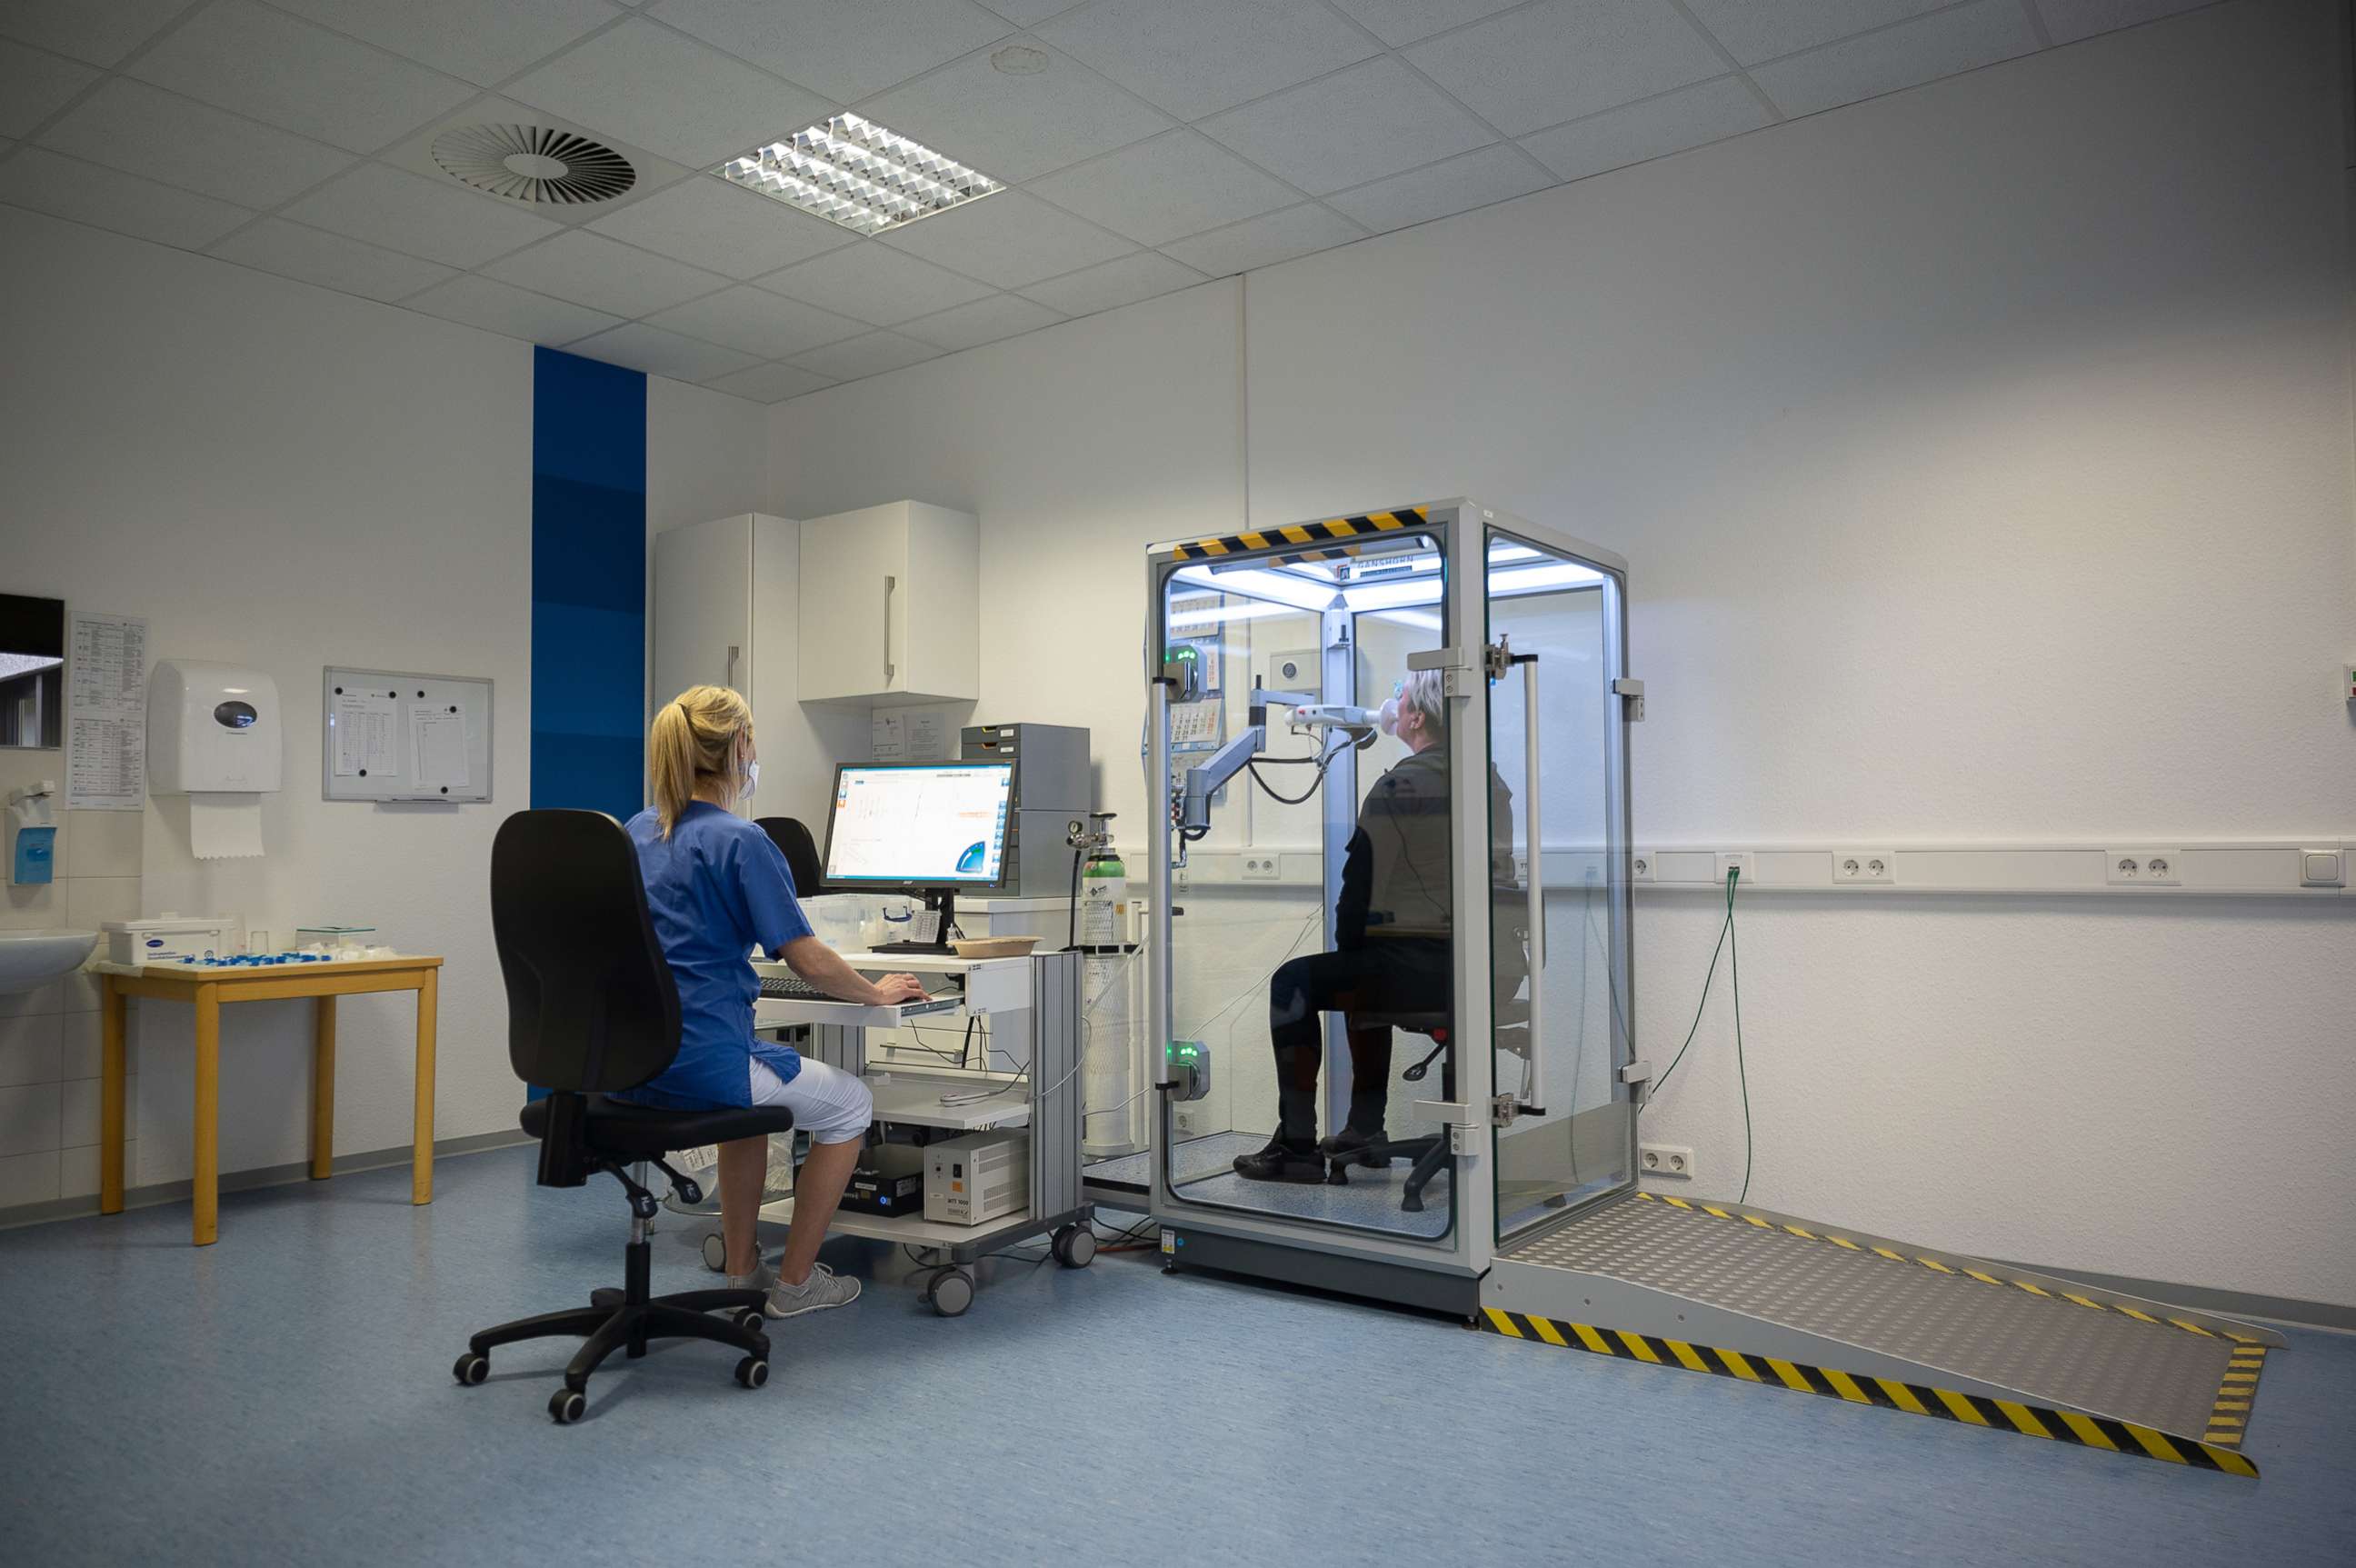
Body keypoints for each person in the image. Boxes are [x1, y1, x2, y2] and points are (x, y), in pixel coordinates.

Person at [621, 684, 924, 1315]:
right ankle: (796, 1281)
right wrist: (875, 992)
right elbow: (807, 957)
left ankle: (742, 1273)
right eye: (753, 740)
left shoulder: (637, 831)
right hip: (706, 1062)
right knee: (850, 1105)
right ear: (740, 745)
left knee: (753, 1113)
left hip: (632, 1064)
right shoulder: (742, 840)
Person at [1234, 668, 1514, 1183]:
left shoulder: (1401, 785)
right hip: (1488, 965)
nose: (1392, 701)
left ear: (1415, 716)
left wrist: (1349, 957)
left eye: (1401, 695)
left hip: (1422, 968)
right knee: (1362, 975)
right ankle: (1364, 1130)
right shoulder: (1488, 780)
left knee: (1297, 981)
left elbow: (1358, 888)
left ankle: (1297, 1146)